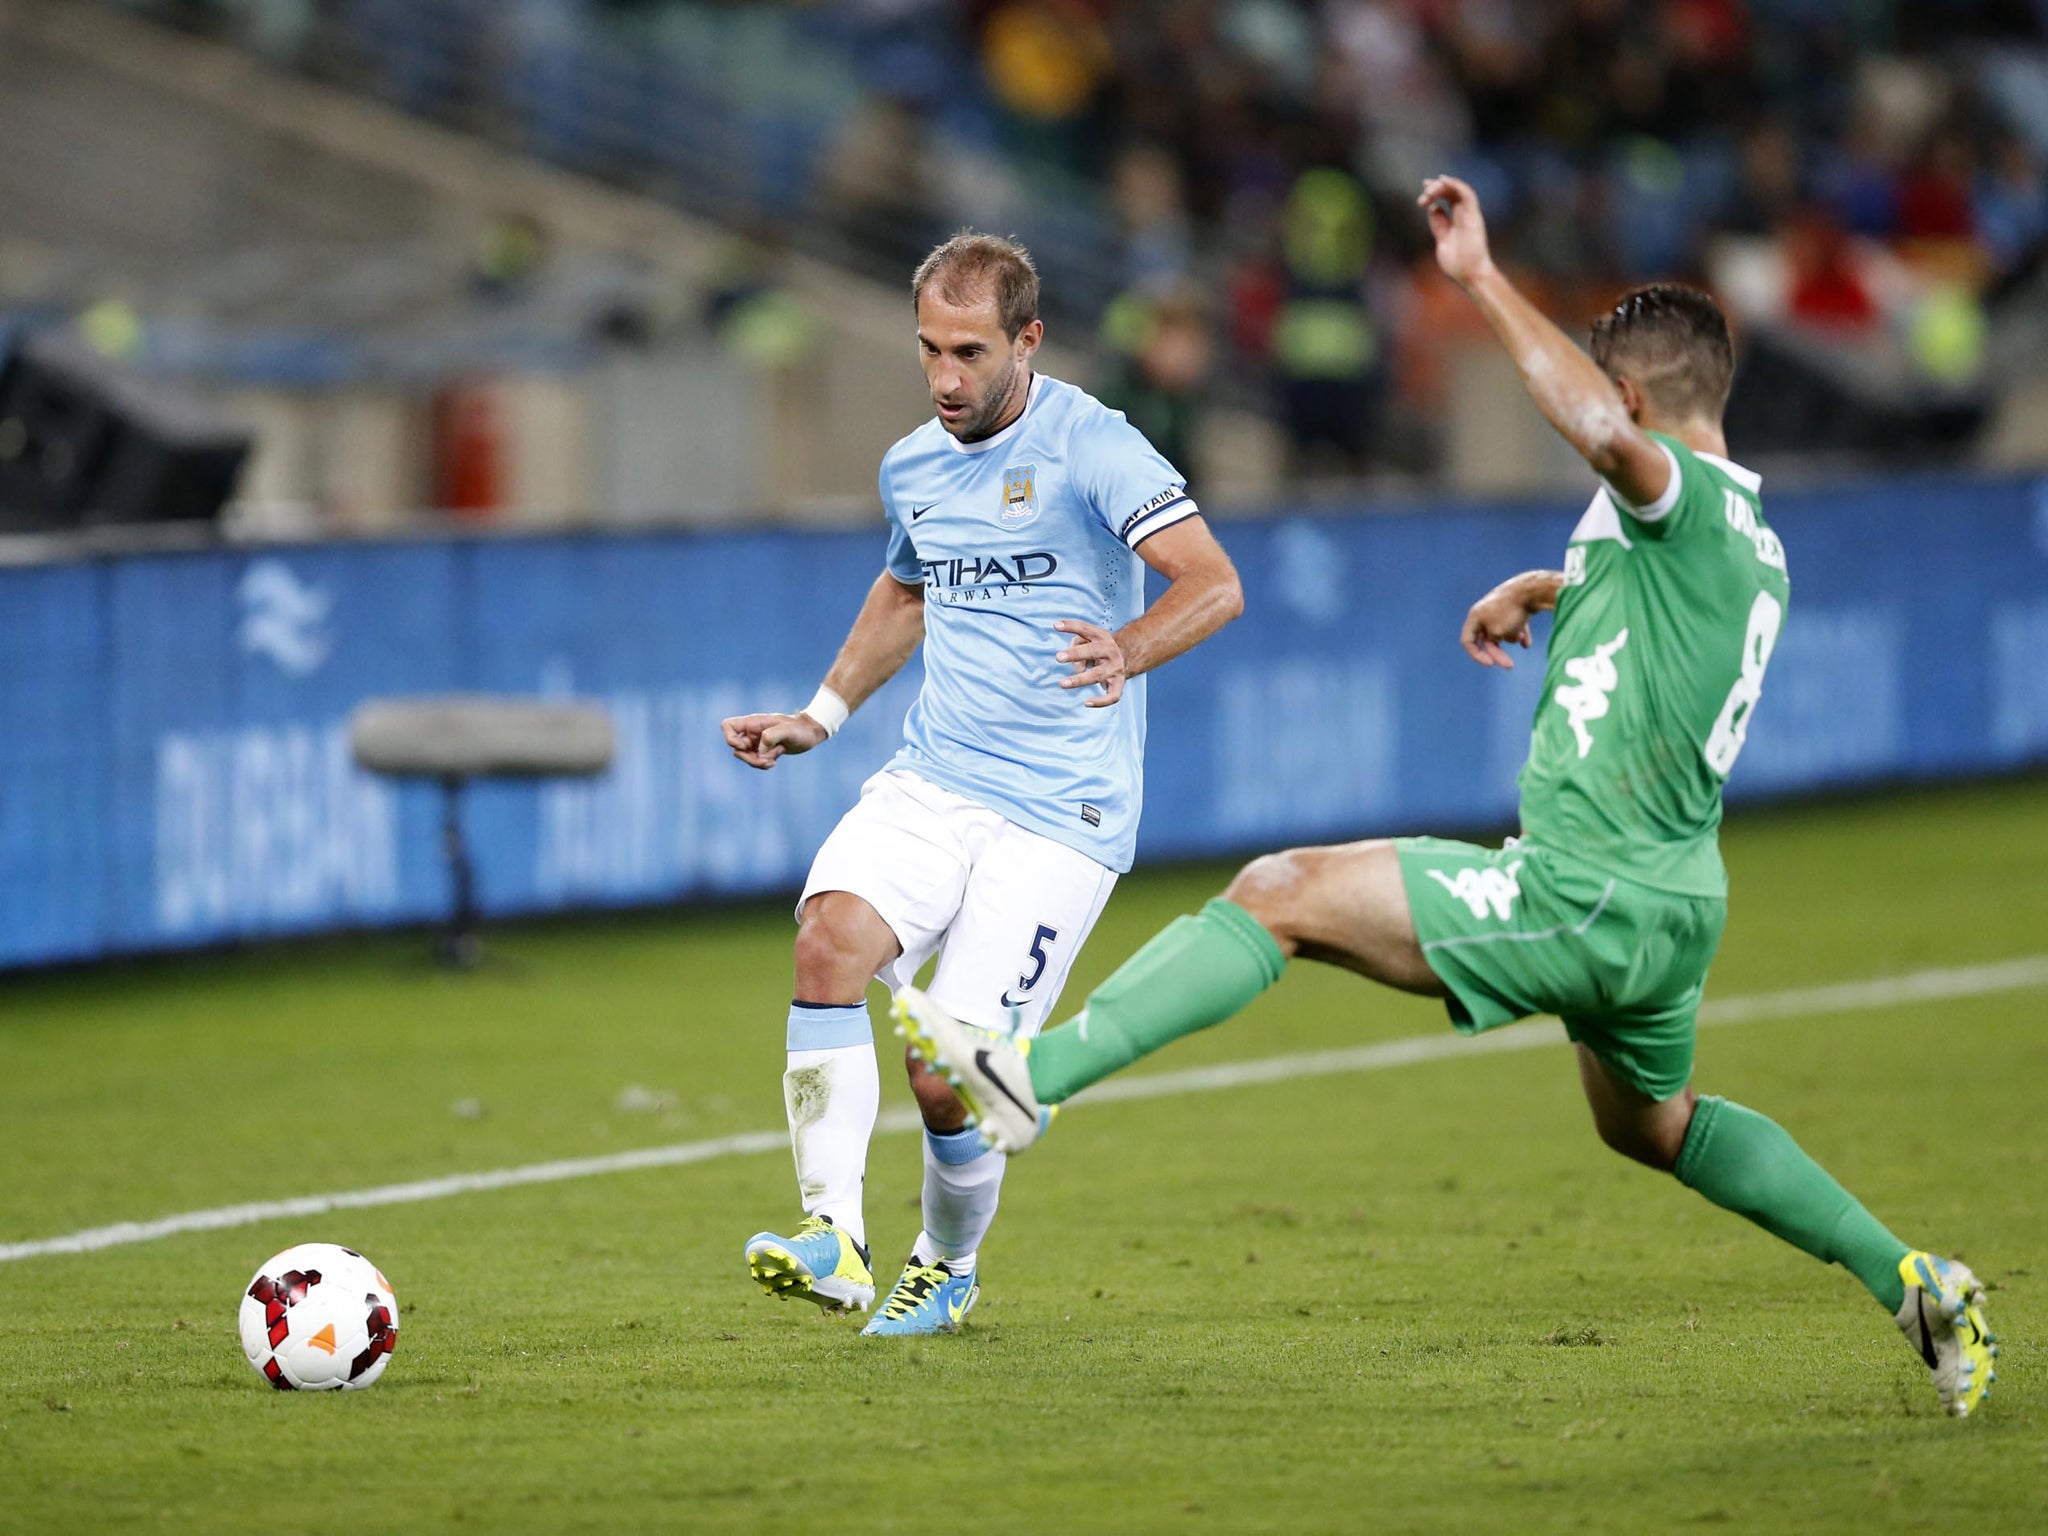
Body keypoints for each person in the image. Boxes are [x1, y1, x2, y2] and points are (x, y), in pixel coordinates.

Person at [895, 178, 1999, 1416]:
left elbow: (1605, 442)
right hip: (1674, 904)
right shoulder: (1744, 538)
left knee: (1280, 894)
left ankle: (1027, 1081)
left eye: (1610, 413)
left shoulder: (1665, 491)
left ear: (1630, 403)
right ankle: (1909, 1277)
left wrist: (1477, 278)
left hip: (1585, 890)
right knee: (1650, 1127)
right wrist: (1544, 587)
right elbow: (1658, 614)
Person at [721, 232, 1243, 1336]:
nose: (946, 379)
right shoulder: (914, 462)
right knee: (826, 942)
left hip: (1061, 814)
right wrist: (818, 715)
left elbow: (1213, 582)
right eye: (928, 351)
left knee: (946, 1081)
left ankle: (945, 1266)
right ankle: (832, 1237)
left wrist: (1129, 646)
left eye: (968, 351)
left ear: (1027, 340)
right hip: (936, 777)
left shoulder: (1094, 445)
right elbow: (905, 592)